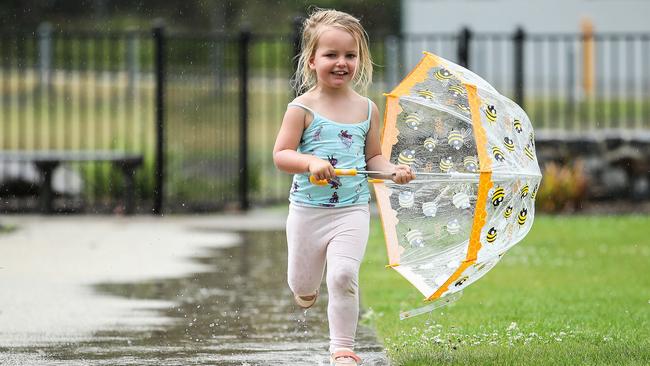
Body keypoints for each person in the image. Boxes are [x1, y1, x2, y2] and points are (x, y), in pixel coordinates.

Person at [272, 8, 415, 366]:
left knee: (343, 275)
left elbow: (374, 160)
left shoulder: (367, 109)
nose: (341, 62)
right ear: (311, 60)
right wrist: (311, 163)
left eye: (350, 55)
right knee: (303, 285)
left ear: (360, 60)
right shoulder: (301, 108)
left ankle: (343, 349)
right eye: (331, 54)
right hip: (307, 211)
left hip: (351, 211)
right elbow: (281, 155)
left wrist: (392, 170)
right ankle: (305, 290)